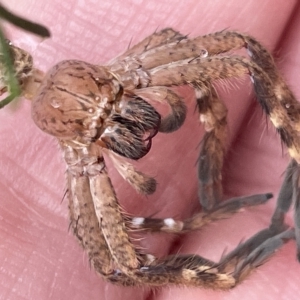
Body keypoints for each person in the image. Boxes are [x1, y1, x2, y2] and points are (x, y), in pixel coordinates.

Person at [1, 0, 299, 299]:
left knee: (239, 51)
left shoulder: (85, 158)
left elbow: (221, 45)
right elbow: (115, 265)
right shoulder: (126, 80)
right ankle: (222, 276)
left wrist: (213, 115)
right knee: (116, 265)